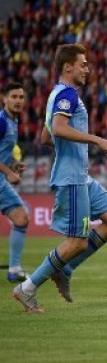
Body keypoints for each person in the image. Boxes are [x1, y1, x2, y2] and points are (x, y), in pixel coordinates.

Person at [13, 44, 107, 313]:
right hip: (71, 178)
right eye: (83, 64)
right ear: (67, 67)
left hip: (80, 176)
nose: (87, 69)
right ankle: (27, 288)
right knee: (76, 242)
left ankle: (65, 268)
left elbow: (46, 136)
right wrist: (96, 140)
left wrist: (69, 148)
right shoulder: (68, 95)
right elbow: (58, 129)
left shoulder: (57, 95)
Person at [0, 82, 30, 283]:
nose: (18, 100)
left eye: (21, 97)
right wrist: (8, 173)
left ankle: (14, 268)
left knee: (21, 216)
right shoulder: (2, 122)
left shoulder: (13, 120)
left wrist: (14, 164)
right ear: (4, 99)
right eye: (14, 97)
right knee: (21, 217)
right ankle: (14, 269)